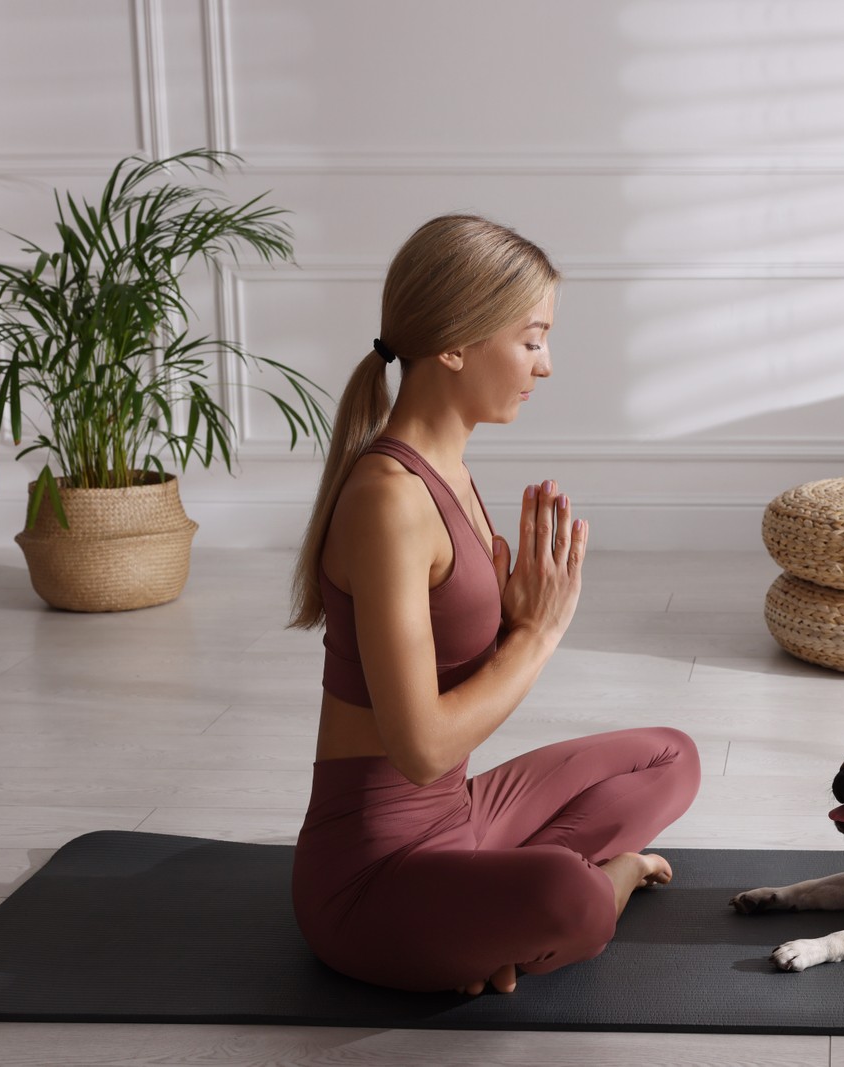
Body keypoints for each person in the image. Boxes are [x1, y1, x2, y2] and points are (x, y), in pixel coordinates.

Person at [285, 214, 701, 995]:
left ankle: (488, 917)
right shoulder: (388, 499)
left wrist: (511, 620)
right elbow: (421, 748)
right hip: (371, 876)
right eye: (533, 338)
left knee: (672, 756)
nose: (544, 366)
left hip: (462, 816)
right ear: (454, 343)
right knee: (571, 895)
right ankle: (587, 889)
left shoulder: (452, 476)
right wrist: (535, 638)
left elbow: (449, 685)